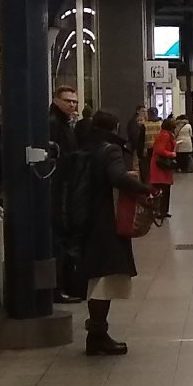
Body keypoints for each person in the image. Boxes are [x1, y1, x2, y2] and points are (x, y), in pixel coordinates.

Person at [73, 111, 151, 356]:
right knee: (104, 280)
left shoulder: (86, 145)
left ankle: (97, 334)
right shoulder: (110, 149)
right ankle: (97, 336)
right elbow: (117, 177)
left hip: (86, 217)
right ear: (116, 126)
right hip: (105, 221)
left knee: (98, 278)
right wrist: (145, 189)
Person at [48, 86, 84, 304]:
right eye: (67, 101)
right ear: (56, 100)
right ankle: (57, 287)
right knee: (59, 238)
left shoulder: (63, 123)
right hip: (59, 188)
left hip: (63, 186)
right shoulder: (54, 124)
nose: (72, 105)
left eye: (74, 102)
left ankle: (62, 285)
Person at [150, 118, 178, 218]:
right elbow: (159, 150)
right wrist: (172, 154)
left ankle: (163, 211)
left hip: (162, 165)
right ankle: (160, 211)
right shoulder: (165, 135)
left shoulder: (166, 134)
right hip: (161, 165)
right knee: (162, 189)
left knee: (163, 189)